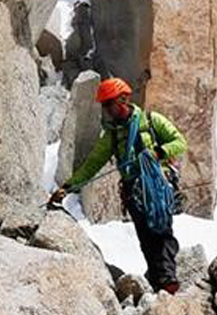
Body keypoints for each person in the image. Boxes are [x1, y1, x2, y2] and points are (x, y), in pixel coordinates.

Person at [50, 78, 188, 294]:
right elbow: (93, 164)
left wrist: (157, 153)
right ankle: (157, 279)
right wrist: (68, 187)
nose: (106, 109)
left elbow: (179, 142)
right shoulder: (112, 135)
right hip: (135, 192)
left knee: (161, 232)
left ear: (123, 100)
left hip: (158, 186)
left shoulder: (152, 121)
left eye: (108, 104)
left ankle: (167, 279)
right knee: (145, 237)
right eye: (104, 105)